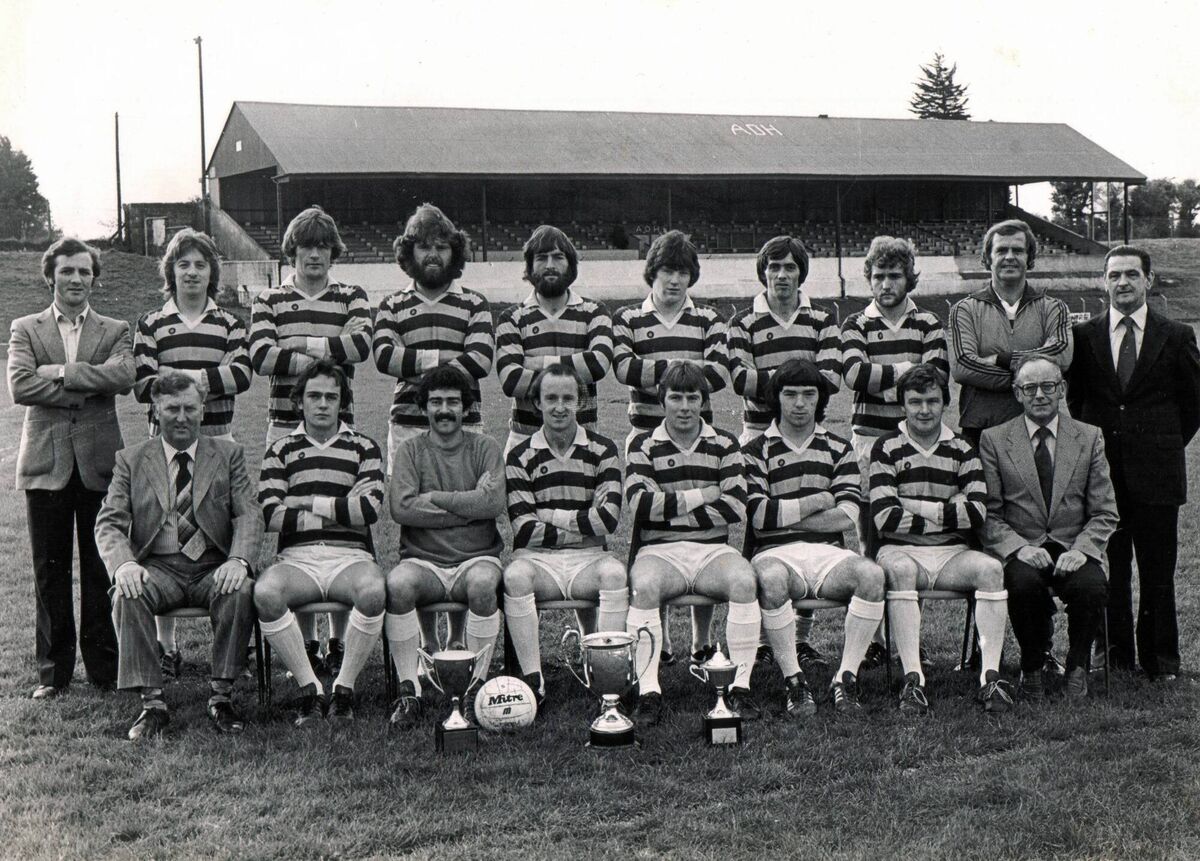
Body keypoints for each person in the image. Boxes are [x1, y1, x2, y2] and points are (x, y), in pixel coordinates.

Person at [94, 372, 258, 740]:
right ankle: (152, 705)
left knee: (241, 590)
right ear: (156, 411)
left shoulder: (228, 455)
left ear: (203, 411)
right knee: (128, 592)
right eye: (172, 409)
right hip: (159, 567)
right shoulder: (132, 460)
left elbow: (249, 513)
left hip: (213, 566)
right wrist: (124, 564)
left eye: (189, 408)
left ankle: (222, 697)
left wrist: (238, 560)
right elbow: (109, 523)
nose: (181, 417)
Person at [249, 206, 373, 679]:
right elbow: (260, 355)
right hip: (283, 425)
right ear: (292, 251)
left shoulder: (351, 295)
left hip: (340, 423)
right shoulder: (269, 299)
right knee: (294, 527)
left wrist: (299, 345)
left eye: (323, 246)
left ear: (333, 252)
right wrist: (327, 354)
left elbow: (362, 345)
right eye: (306, 247)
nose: (315, 255)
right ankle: (302, 639)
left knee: (344, 528)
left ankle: (338, 642)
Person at [8, 238, 134, 699]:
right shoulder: (25, 327)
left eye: (84, 272)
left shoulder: (116, 328)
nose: (76, 279)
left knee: (101, 569)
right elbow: (20, 385)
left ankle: (104, 669)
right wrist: (85, 382)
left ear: (94, 277)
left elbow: (123, 377)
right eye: (67, 272)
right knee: (49, 570)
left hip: (100, 465)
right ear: (50, 276)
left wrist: (58, 373)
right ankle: (53, 673)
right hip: (46, 465)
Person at [1067, 246, 1200, 680]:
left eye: (1131, 275)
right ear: (1102, 282)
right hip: (1104, 476)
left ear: (1149, 279)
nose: (1122, 283)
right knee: (1113, 569)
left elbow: (1194, 403)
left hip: (1157, 474)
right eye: (1114, 275)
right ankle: (1117, 657)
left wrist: (1162, 444)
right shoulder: (1085, 336)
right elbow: (1077, 401)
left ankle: (1162, 662)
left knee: (1158, 570)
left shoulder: (1176, 334)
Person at [373, 203, 493, 651]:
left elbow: (480, 360)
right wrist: (448, 362)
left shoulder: (474, 303)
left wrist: (419, 360)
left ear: (454, 252)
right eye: (423, 245)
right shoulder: (393, 304)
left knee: (465, 514)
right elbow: (384, 357)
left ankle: (459, 640)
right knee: (418, 522)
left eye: (442, 246)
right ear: (410, 252)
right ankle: (425, 639)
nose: (433, 254)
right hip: (407, 426)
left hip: (468, 426)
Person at [134, 228, 252, 678]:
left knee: (213, 531)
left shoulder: (229, 323)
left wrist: (179, 381)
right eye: (183, 263)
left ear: (212, 272)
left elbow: (241, 373)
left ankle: (226, 633)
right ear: (171, 271)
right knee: (164, 533)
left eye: (200, 264)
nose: (192, 272)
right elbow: (143, 383)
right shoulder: (152, 323)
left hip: (218, 437)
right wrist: (204, 379)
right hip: (163, 442)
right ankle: (167, 646)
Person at [743, 359, 885, 717]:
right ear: (776, 398)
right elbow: (761, 519)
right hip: (774, 554)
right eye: (790, 394)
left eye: (809, 394)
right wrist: (818, 500)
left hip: (828, 555)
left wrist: (786, 513)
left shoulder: (838, 448)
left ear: (821, 399)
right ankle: (794, 680)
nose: (800, 403)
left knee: (871, 575)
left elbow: (848, 514)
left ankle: (845, 677)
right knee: (772, 580)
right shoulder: (754, 450)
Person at [870, 364, 1013, 714]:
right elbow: (885, 517)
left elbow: (977, 512)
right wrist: (948, 511)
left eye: (933, 401)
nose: (924, 409)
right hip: (901, 551)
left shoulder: (962, 447)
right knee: (901, 571)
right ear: (902, 404)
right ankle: (913, 680)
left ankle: (990, 677)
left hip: (952, 554)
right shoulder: (886, 446)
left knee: (991, 570)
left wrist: (914, 506)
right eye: (915, 401)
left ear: (945, 403)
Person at [612, 230, 728, 663]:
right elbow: (623, 366)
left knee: (705, 528)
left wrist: (661, 373)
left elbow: (718, 373)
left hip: (702, 436)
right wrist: (685, 374)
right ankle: (658, 639)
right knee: (652, 529)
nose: (674, 280)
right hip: (645, 436)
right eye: (667, 270)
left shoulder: (711, 319)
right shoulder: (628, 318)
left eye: (682, 271)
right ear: (652, 272)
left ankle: (702, 641)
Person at [624, 362, 759, 727]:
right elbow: (640, 505)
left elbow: (733, 507)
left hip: (711, 551)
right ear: (662, 400)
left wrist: (672, 507)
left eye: (692, 398)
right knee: (645, 585)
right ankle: (649, 690)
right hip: (659, 552)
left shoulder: (725, 442)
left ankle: (740, 687)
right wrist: (705, 493)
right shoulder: (642, 444)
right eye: (676, 397)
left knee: (745, 581)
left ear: (703, 401)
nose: (684, 406)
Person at [728, 235, 841, 669]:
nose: (781, 275)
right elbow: (739, 377)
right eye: (774, 267)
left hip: (812, 433)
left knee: (814, 534)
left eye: (790, 267)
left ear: (801, 273)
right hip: (757, 434)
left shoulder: (822, 319)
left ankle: (802, 636)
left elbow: (830, 378)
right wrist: (798, 381)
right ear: (763, 272)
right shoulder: (743, 321)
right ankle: (759, 637)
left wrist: (775, 380)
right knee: (761, 531)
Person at [255, 361, 387, 724]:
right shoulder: (280, 449)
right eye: (314, 395)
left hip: (349, 555)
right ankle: (310, 688)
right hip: (297, 558)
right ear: (299, 402)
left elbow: (369, 510)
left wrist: (302, 500)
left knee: (374, 591)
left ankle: (344, 689)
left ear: (343, 401)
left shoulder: (364, 447)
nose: (323, 404)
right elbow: (270, 514)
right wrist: (340, 507)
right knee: (267, 593)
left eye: (332, 396)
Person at [979, 357, 1118, 700]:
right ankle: (1031, 665)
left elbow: (1105, 511)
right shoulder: (995, 440)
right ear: (1017, 393)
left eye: (1048, 386)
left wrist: (1082, 550)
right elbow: (990, 514)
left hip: (1073, 543)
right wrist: (1019, 548)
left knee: (1091, 586)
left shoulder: (1088, 437)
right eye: (1030, 388)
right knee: (1022, 584)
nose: (1040, 395)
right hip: (1024, 545)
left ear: (1062, 390)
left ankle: (1077, 666)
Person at [385, 366, 505, 729]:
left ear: (466, 407)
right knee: (398, 586)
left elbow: (492, 504)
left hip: (477, 557)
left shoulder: (486, 447)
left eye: (453, 401)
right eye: (435, 402)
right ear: (424, 407)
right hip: (423, 560)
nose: (444, 410)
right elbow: (401, 509)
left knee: (485, 585)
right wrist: (467, 507)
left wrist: (434, 498)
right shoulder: (409, 451)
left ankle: (474, 688)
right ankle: (410, 690)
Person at [503, 364, 627, 705]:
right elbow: (524, 529)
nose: (560, 406)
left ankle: (606, 679)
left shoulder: (603, 449)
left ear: (580, 402)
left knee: (615, 574)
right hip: (537, 562)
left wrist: (550, 515)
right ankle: (533, 681)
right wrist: (583, 523)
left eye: (568, 398)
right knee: (515, 577)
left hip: (590, 560)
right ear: (537, 403)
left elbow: (609, 521)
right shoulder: (518, 455)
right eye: (551, 398)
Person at [948, 219, 1073, 449]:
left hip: (1038, 428)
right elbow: (964, 366)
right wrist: (1035, 379)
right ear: (987, 259)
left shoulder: (1054, 308)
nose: (1009, 256)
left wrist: (1000, 359)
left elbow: (1062, 356)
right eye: (1001, 250)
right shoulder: (964, 309)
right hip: (982, 429)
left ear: (1030, 258)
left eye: (1018, 250)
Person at [495, 225, 613, 454]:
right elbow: (511, 381)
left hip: (582, 440)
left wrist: (534, 363)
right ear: (530, 266)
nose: (550, 265)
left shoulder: (594, 311)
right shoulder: (512, 317)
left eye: (558, 257)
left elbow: (597, 365)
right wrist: (574, 367)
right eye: (541, 258)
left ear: (570, 265)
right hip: (524, 442)